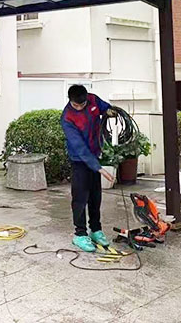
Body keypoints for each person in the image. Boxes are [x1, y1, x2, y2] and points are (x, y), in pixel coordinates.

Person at [61, 84, 117, 252]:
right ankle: (80, 234)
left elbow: (105, 107)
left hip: (95, 154)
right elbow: (79, 147)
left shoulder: (92, 99)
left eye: (82, 104)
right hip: (79, 160)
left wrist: (109, 111)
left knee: (95, 196)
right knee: (80, 198)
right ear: (70, 101)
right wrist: (99, 168)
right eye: (76, 105)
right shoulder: (67, 117)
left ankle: (96, 230)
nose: (79, 107)